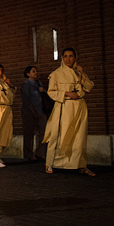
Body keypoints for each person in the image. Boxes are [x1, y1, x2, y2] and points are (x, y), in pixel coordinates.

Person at [42, 48, 95, 176]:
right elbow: (51, 92)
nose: (68, 59)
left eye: (71, 56)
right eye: (65, 56)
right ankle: (49, 163)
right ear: (62, 58)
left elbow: (89, 87)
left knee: (79, 137)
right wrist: (66, 93)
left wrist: (82, 74)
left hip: (80, 107)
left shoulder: (77, 73)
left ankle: (81, 165)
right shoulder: (56, 74)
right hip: (64, 107)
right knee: (58, 135)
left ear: (75, 58)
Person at [20, 66, 47, 162]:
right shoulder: (26, 84)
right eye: (33, 71)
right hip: (29, 112)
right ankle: (29, 155)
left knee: (43, 132)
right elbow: (26, 99)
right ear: (28, 74)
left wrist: (43, 91)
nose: (35, 73)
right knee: (29, 133)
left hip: (40, 111)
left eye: (36, 71)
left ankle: (40, 153)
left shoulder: (38, 83)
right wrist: (32, 110)